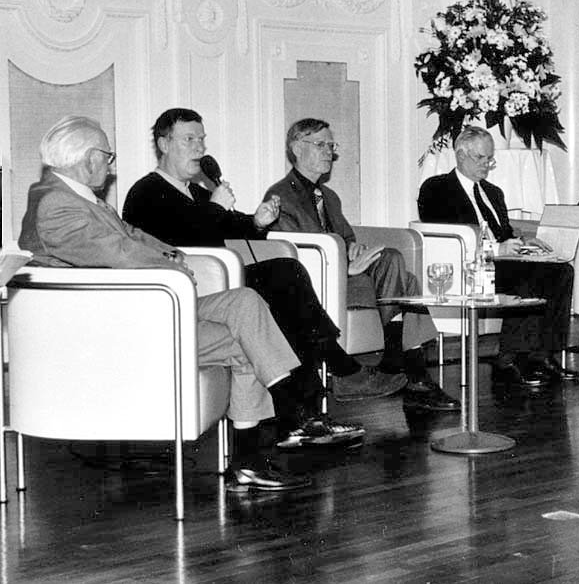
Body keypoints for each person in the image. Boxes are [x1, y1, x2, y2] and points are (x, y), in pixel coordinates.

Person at [18, 116, 362, 493]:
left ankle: (267, 438)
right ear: (85, 158)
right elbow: (118, 254)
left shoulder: (79, 198)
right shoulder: (57, 204)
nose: (111, 164)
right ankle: (272, 430)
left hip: (150, 303)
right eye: (107, 156)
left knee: (246, 303)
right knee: (247, 334)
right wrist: (170, 263)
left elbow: (133, 236)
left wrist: (172, 254)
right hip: (125, 319)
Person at [122, 108, 406, 402]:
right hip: (193, 285)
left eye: (202, 139)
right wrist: (216, 208)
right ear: (164, 144)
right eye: (189, 139)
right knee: (283, 276)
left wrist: (257, 220)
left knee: (287, 273)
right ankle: (337, 371)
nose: (199, 147)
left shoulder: (196, 192)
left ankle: (320, 382)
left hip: (222, 276)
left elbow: (228, 225)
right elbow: (183, 242)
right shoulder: (146, 193)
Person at [263, 118, 460, 413]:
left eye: (331, 146)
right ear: (296, 148)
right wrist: (344, 269)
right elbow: (291, 257)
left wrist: (353, 249)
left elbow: (344, 238)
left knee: (394, 261)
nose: (329, 152)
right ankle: (407, 372)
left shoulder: (329, 197)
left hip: (344, 272)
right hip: (316, 284)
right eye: (320, 145)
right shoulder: (280, 197)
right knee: (384, 280)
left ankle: (403, 369)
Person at [417, 126, 577, 387]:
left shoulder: (493, 192)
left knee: (561, 270)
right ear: (460, 155)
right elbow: (446, 237)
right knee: (526, 277)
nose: (486, 165)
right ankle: (507, 360)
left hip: (501, 261)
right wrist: (496, 250)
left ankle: (543, 355)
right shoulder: (437, 188)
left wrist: (524, 243)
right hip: (468, 264)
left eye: (489, 159)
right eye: (480, 158)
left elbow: (503, 233)